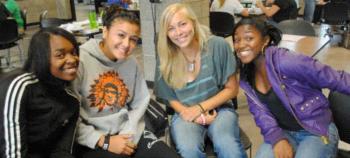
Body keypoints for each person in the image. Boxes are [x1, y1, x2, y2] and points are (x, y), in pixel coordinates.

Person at [232, 17, 350, 158]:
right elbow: (260, 113)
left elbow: (334, 78)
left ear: (265, 40)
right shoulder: (246, 75)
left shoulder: (286, 61)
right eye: (236, 40)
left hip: (316, 130)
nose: (240, 45)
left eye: (249, 38)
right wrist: (277, 138)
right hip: (285, 132)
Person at [73, 5, 180, 158]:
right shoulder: (80, 62)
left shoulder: (131, 63)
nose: (126, 44)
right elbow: (70, 118)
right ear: (105, 31)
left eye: (133, 39)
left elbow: (140, 103)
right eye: (121, 35)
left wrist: (128, 135)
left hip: (128, 131)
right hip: (94, 139)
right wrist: (104, 141)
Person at [154, 3, 247, 158]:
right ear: (166, 33)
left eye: (182, 24)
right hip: (185, 112)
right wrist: (191, 114)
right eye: (171, 28)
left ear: (194, 22)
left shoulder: (217, 45)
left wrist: (199, 108)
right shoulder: (165, 57)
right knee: (189, 149)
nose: (178, 33)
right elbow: (169, 97)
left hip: (220, 109)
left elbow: (232, 89)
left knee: (227, 145)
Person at [0, 27, 80, 158]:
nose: (72, 59)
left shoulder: (71, 100)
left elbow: (62, 150)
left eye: (74, 52)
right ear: (42, 58)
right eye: (60, 55)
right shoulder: (21, 86)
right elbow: (13, 153)